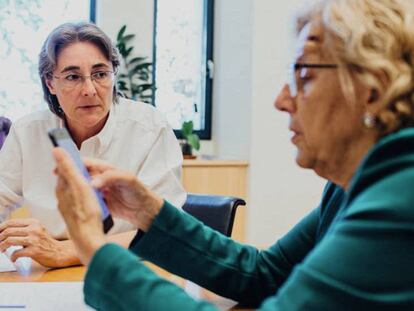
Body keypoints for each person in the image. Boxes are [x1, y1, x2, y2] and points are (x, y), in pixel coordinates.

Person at [53, 0, 414, 309]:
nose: (281, 100)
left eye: (303, 75)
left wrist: (96, 251)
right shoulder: (353, 186)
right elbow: (265, 273)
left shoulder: (401, 199)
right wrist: (148, 211)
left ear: (371, 88)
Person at [0, 22, 186, 268]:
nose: (89, 90)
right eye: (73, 77)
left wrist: (67, 251)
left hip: (131, 267)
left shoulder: (149, 129)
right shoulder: (27, 132)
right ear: (50, 83)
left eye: (100, 74)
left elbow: (166, 233)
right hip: (49, 275)